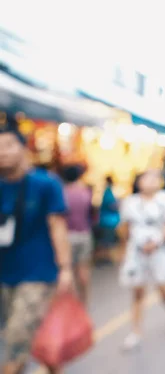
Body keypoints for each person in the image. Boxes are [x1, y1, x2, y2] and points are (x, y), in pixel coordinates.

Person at [0, 116, 73, 374]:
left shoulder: (45, 184)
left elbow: (57, 226)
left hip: (37, 274)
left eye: (8, 145)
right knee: (28, 336)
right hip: (4, 274)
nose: (2, 152)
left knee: (17, 340)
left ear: (23, 148)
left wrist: (65, 268)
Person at [119, 170, 165, 351]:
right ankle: (136, 331)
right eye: (147, 178)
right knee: (137, 292)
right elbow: (125, 228)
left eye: (154, 178)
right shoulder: (130, 203)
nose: (151, 181)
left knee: (163, 288)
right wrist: (124, 250)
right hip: (136, 252)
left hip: (158, 251)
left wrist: (158, 242)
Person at [62, 165, 94, 306]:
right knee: (83, 270)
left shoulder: (62, 193)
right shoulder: (85, 192)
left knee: (69, 270)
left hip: (67, 235)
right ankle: (84, 302)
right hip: (84, 234)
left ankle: (74, 304)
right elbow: (92, 213)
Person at [97, 176, 120, 264]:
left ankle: (106, 258)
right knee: (107, 241)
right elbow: (111, 205)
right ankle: (104, 258)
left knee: (108, 240)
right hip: (108, 221)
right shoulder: (108, 192)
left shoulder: (108, 192)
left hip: (108, 221)